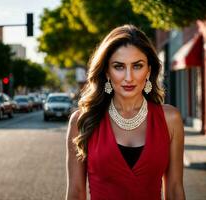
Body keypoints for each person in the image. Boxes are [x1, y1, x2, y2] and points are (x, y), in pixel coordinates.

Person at [66, 24, 185, 200]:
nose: (128, 77)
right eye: (119, 66)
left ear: (149, 70)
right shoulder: (82, 121)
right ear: (107, 71)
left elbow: (175, 189)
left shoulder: (170, 119)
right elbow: (75, 193)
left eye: (137, 66)